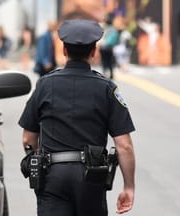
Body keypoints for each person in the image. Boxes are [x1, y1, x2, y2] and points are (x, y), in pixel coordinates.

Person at [18, 19, 135, 216]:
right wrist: (129, 187)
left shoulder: (44, 85)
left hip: (52, 177)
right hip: (92, 178)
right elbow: (124, 145)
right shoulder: (106, 88)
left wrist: (40, 163)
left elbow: (28, 138)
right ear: (94, 51)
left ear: (64, 50)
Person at [99, 14, 119, 79]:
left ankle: (104, 73)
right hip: (109, 48)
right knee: (110, 61)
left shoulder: (104, 28)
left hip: (102, 46)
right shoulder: (114, 29)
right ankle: (111, 74)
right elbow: (116, 40)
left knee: (104, 60)